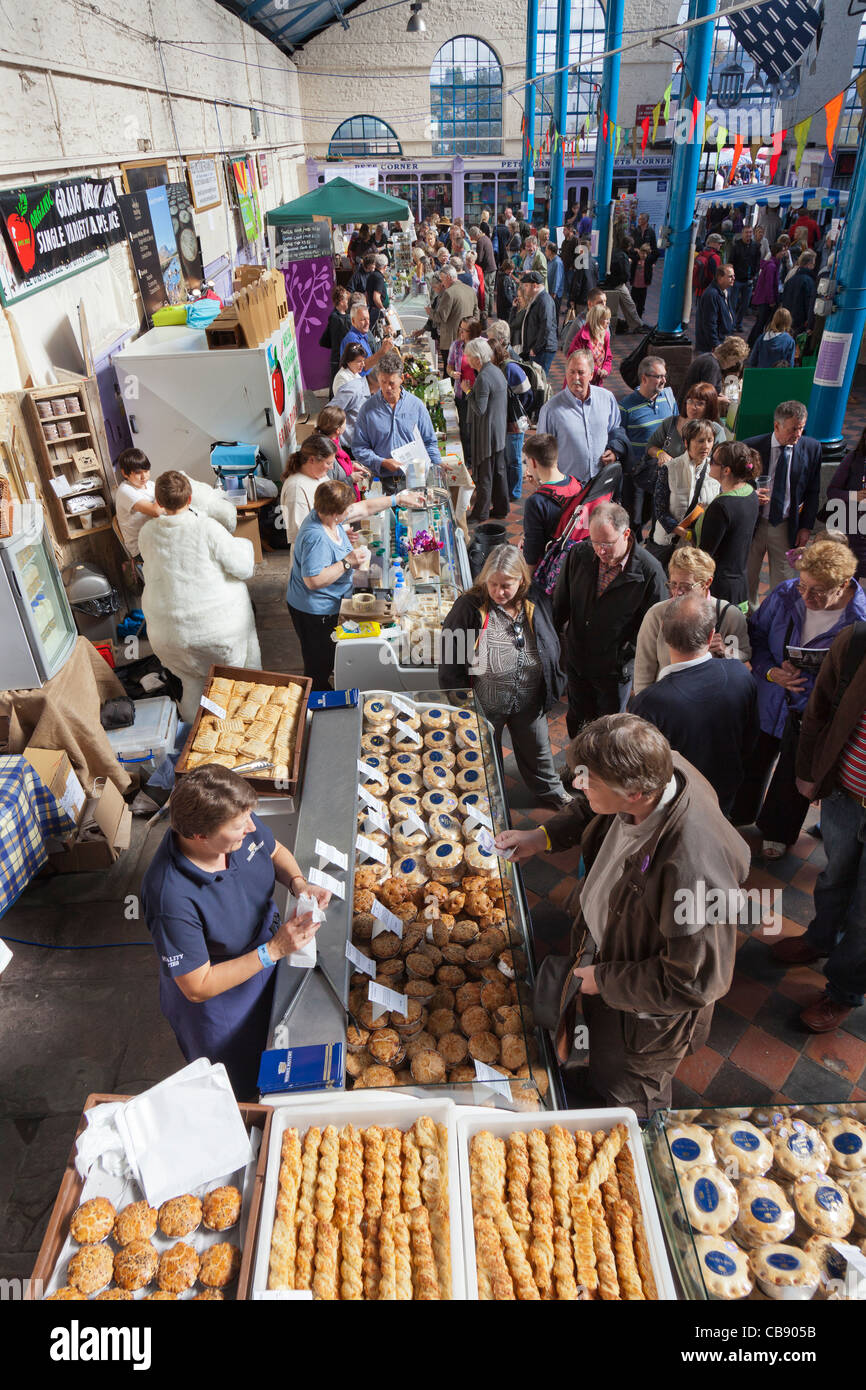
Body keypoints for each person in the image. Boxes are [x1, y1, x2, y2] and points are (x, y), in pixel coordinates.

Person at [495, 714, 750, 1115]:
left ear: (634, 794)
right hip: (612, 956)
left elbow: (695, 980)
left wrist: (604, 979)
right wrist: (541, 837)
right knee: (604, 1051)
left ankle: (631, 1113)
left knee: (632, 1086)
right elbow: (593, 808)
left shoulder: (694, 871)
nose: (578, 786)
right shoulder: (656, 768)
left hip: (645, 1014)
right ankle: (601, 1080)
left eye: (587, 781)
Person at [140, 766, 328, 1099]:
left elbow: (274, 851)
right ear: (200, 836)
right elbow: (198, 986)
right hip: (222, 1002)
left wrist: (299, 884)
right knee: (244, 1083)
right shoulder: (170, 896)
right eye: (241, 825)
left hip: (269, 952)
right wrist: (272, 951)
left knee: (286, 1048)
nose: (251, 827)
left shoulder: (239, 830)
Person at [732, 536, 866, 857]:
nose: (805, 596)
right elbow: (757, 635)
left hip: (811, 710)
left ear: (843, 584)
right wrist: (770, 671)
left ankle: (777, 831)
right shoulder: (786, 592)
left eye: (817, 591)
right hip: (770, 696)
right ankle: (739, 815)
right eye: (803, 585)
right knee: (754, 757)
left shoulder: (858, 623)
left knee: (794, 773)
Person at [772, 622, 866, 1032]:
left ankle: (844, 991)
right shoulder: (856, 642)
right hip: (846, 793)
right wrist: (812, 770)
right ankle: (821, 938)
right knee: (834, 876)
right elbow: (820, 708)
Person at [439, 544, 569, 809]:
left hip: (529, 700)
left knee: (539, 751)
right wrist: (463, 707)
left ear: (521, 580)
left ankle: (552, 792)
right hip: (484, 706)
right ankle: (487, 803)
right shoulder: (468, 607)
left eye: (506, 585)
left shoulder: (537, 600)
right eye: (493, 584)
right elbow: (450, 662)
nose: (498, 592)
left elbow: (551, 641)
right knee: (483, 759)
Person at [139, 471, 260, 723]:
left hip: (168, 634)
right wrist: (244, 546)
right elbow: (243, 567)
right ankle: (237, 727)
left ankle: (197, 731)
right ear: (191, 498)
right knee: (234, 682)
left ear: (158, 502)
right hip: (215, 628)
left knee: (192, 683)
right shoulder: (206, 528)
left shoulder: (147, 533)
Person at [631, 595, 758, 816]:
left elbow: (641, 769)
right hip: (723, 793)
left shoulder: (649, 702)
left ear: (664, 632)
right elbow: (750, 740)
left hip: (672, 803)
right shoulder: (740, 674)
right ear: (711, 636)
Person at [552, 501, 666, 734]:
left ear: (626, 534)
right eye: (595, 542)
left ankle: (600, 771)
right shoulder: (579, 554)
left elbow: (652, 630)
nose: (600, 550)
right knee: (577, 720)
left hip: (612, 673)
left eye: (607, 543)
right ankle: (579, 768)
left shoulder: (650, 572)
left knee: (608, 731)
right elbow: (560, 604)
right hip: (577, 660)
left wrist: (623, 656)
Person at [633, 545, 751, 693]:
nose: (677, 593)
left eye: (686, 586)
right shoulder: (656, 614)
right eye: (673, 584)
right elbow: (643, 674)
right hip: (668, 705)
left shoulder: (729, 615)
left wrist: (726, 650)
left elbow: (746, 660)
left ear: (707, 583)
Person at [286, 479, 366, 690]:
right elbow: (313, 580)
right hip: (313, 611)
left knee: (325, 655)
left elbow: (365, 507)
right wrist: (348, 562)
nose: (350, 511)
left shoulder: (326, 519)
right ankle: (316, 702)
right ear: (335, 513)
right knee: (318, 663)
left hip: (325, 606)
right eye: (347, 509)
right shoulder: (316, 537)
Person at [744, 400, 823, 609]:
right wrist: (751, 494)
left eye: (801, 428)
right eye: (793, 429)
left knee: (784, 583)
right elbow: (735, 483)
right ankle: (748, 620)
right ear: (777, 425)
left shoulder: (812, 448)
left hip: (785, 525)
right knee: (747, 578)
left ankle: (775, 619)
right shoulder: (751, 447)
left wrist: (806, 527)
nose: (798, 434)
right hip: (754, 524)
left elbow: (813, 491)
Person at [352, 349, 443, 495]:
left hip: (415, 482)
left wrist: (437, 468)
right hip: (381, 484)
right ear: (378, 378)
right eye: (383, 382)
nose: (387, 388)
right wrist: (381, 462)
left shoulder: (416, 406)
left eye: (392, 383)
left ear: (402, 378)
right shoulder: (367, 410)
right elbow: (359, 447)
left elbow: (430, 442)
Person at [537, 349, 629, 483]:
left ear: (591, 374)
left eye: (581, 372)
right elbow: (543, 452)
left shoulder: (607, 398)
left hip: (601, 484)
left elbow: (616, 430)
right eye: (571, 372)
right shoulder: (550, 410)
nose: (575, 378)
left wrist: (614, 451)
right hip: (569, 487)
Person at [619, 356, 678, 539]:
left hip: (661, 473)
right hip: (636, 474)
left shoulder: (668, 399)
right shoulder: (626, 406)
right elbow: (619, 437)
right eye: (659, 376)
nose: (664, 381)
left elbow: (676, 429)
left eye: (664, 376)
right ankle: (632, 555)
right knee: (633, 519)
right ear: (644, 378)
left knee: (656, 516)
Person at [647, 419, 719, 565]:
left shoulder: (716, 470)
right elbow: (660, 511)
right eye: (700, 441)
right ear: (686, 443)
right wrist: (685, 534)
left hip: (696, 547)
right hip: (668, 543)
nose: (706, 446)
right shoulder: (670, 469)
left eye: (710, 440)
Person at [699, 441, 761, 606]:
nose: (709, 462)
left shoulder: (721, 506)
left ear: (726, 470)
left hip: (719, 589)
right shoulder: (751, 493)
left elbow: (705, 553)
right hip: (739, 582)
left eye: (713, 461)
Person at [521, 432, 584, 570]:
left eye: (526, 462)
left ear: (532, 462)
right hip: (575, 562)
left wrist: (527, 585)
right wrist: (539, 487)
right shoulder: (576, 483)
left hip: (550, 568)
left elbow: (532, 552)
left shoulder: (535, 502)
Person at [465, 338, 509, 523]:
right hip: (498, 430)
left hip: (487, 434)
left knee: (486, 475)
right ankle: (501, 507)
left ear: (476, 358)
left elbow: (480, 409)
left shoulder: (483, 377)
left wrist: (467, 391)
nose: (467, 359)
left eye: (468, 356)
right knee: (499, 472)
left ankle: (481, 513)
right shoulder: (496, 370)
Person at [489, 326, 532, 499]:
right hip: (503, 421)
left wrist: (518, 411)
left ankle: (514, 492)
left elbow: (527, 394)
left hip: (513, 423)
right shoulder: (495, 368)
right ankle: (506, 488)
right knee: (506, 456)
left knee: (513, 458)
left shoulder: (510, 369)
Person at [645, 382, 727, 472]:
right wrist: (660, 454)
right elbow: (650, 446)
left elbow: (722, 463)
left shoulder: (716, 430)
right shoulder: (671, 423)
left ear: (709, 407)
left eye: (700, 404)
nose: (693, 407)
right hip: (669, 480)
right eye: (690, 401)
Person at [826, 426, 866, 582]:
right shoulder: (853, 459)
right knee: (846, 581)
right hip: (852, 531)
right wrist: (854, 496)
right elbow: (832, 492)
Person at [114, 447, 163, 558]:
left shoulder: (150, 485)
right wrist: (166, 494)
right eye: (138, 473)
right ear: (125, 473)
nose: (144, 476)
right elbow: (156, 511)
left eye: (146, 471)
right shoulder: (125, 490)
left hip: (157, 537)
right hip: (142, 548)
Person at [447, 315, 483, 466]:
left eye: (464, 330)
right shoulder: (456, 346)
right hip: (461, 394)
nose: (461, 332)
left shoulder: (482, 346)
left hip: (478, 394)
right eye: (460, 329)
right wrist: (452, 373)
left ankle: (478, 458)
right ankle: (468, 459)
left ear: (473, 332)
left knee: (478, 429)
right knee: (465, 428)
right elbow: (449, 366)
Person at [429, 266, 479, 369]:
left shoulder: (449, 293)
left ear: (448, 277)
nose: (442, 283)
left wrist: (431, 312)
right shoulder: (470, 290)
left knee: (450, 371)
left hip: (451, 340)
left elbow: (441, 317)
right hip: (468, 337)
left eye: (442, 280)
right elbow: (476, 314)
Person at [316, 405, 367, 502]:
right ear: (338, 430)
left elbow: (340, 466)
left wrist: (352, 465)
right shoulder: (327, 452)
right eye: (344, 423)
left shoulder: (334, 441)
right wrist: (351, 479)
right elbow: (328, 487)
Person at [679, 336, 749, 406]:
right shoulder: (712, 366)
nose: (734, 364)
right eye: (735, 361)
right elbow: (705, 396)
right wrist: (722, 400)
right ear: (731, 356)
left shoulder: (709, 359)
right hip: (690, 410)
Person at [329, 342, 372, 446]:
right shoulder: (342, 378)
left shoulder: (355, 374)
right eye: (359, 361)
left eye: (363, 360)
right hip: (348, 431)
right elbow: (340, 409)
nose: (363, 364)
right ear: (348, 361)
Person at [603, 237, 645, 333]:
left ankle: (634, 324)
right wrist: (625, 280)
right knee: (629, 304)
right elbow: (626, 273)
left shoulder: (615, 252)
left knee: (625, 305)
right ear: (629, 246)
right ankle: (637, 325)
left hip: (611, 282)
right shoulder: (623, 257)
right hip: (619, 284)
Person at [747, 241, 787, 345]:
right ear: (777, 252)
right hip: (765, 300)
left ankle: (752, 342)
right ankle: (753, 343)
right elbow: (769, 285)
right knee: (761, 323)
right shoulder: (772, 266)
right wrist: (771, 300)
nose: (784, 253)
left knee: (760, 322)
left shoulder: (773, 265)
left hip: (764, 299)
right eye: (782, 251)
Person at [338, 301, 394, 375]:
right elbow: (362, 366)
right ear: (353, 321)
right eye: (363, 320)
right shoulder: (352, 339)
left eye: (368, 319)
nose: (367, 323)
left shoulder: (363, 335)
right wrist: (382, 352)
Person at [519, 272, 558, 376]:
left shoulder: (544, 300)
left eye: (527, 286)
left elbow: (546, 326)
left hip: (543, 350)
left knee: (539, 380)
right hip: (538, 348)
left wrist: (536, 348)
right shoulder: (538, 298)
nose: (525, 289)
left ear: (535, 286)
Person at [566, 302, 612, 385]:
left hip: (596, 382)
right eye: (606, 318)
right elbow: (573, 358)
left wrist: (605, 369)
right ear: (597, 319)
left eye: (609, 319)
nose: (608, 322)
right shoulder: (582, 336)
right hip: (579, 381)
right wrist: (594, 369)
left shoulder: (605, 335)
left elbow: (608, 357)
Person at [695, 263, 736, 353]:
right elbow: (709, 323)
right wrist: (716, 345)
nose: (733, 278)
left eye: (734, 276)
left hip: (724, 340)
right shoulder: (711, 295)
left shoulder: (726, 290)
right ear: (720, 278)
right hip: (711, 346)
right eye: (730, 276)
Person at [729, 225, 761, 331]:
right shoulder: (736, 246)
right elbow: (731, 261)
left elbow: (757, 262)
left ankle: (739, 323)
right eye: (747, 232)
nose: (749, 235)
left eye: (750, 232)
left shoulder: (755, 246)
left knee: (745, 305)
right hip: (737, 279)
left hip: (748, 280)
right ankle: (731, 324)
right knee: (732, 303)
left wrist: (754, 274)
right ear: (742, 233)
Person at [319, 285, 351, 389]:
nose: (348, 302)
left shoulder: (337, 316)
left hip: (339, 358)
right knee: (337, 387)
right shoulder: (337, 319)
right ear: (341, 301)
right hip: (339, 359)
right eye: (347, 300)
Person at [780, 250, 817, 335]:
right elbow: (809, 304)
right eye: (813, 264)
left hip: (788, 319)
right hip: (800, 323)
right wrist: (810, 325)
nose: (814, 267)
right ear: (809, 265)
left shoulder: (791, 280)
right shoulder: (809, 281)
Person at [472, 223, 497, 313]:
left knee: (485, 290)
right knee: (490, 290)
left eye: (473, 237)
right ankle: (490, 310)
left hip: (487, 269)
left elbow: (479, 258)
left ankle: (485, 311)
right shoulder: (486, 238)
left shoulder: (480, 241)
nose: (473, 240)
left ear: (475, 235)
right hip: (493, 267)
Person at [366, 253, 390, 330]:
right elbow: (376, 297)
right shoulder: (379, 277)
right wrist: (383, 310)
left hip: (372, 309)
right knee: (378, 333)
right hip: (377, 312)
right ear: (385, 266)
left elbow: (367, 293)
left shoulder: (372, 275)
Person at [628, 243, 653, 319]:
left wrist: (649, 280)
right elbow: (630, 253)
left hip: (643, 286)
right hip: (635, 286)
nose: (643, 255)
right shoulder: (635, 259)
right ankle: (632, 318)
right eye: (642, 253)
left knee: (641, 304)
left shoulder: (648, 262)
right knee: (632, 303)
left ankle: (639, 318)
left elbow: (649, 272)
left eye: (646, 253)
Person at [494, 256, 518, 322]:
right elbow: (507, 295)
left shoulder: (501, 276)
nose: (511, 272)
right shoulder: (505, 279)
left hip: (502, 307)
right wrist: (513, 303)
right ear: (505, 269)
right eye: (509, 271)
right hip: (506, 309)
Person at [545, 241, 564, 319]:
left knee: (554, 316)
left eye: (546, 250)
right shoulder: (550, 261)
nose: (545, 252)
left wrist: (554, 292)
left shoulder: (557, 262)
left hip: (555, 295)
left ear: (550, 251)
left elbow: (557, 278)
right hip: (550, 292)